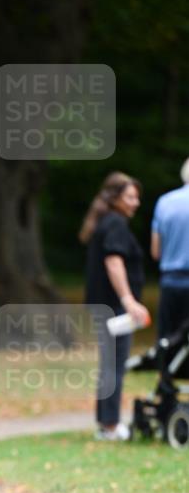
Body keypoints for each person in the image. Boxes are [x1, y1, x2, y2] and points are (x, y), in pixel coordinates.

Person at [80, 171, 150, 441]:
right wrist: (128, 300)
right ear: (115, 197)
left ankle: (106, 423)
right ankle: (109, 426)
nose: (136, 203)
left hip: (105, 307)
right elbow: (114, 262)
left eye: (137, 198)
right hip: (113, 308)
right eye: (130, 197)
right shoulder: (115, 225)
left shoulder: (107, 222)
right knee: (114, 365)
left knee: (110, 364)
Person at [150, 157, 189, 340]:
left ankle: (165, 369)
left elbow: (156, 252)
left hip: (171, 281)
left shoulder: (164, 202)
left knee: (167, 340)